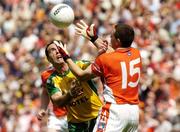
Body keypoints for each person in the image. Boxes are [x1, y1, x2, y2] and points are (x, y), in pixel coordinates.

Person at [58, 20, 142, 132]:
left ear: (118, 40)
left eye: (111, 36)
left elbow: (81, 75)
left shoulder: (106, 59)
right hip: (133, 113)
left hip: (115, 111)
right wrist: (93, 38)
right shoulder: (136, 53)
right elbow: (113, 53)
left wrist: (66, 57)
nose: (108, 38)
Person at [43, 40, 103, 132]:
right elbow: (57, 101)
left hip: (97, 116)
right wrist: (70, 94)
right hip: (76, 124)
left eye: (59, 48)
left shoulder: (79, 65)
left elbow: (98, 67)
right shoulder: (51, 80)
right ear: (48, 59)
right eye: (53, 50)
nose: (57, 51)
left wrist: (99, 55)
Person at [37, 67, 68, 132]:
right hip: (57, 116)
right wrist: (43, 108)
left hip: (75, 114)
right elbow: (45, 92)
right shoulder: (46, 74)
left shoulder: (74, 67)